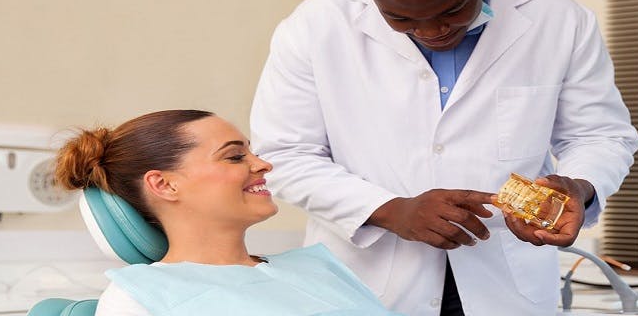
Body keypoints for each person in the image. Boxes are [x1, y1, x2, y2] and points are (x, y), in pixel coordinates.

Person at [250, 0, 638, 315]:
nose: (432, 31)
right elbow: (285, 155)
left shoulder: (561, 20)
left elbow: (600, 135)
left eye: (451, 10)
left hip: (505, 282)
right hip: (367, 280)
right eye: (402, 20)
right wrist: (389, 210)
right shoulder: (315, 25)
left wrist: (580, 185)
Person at [54, 110, 396, 316]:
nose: (263, 164)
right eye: (235, 157)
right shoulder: (142, 298)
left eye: (252, 152)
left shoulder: (318, 267)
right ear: (165, 185)